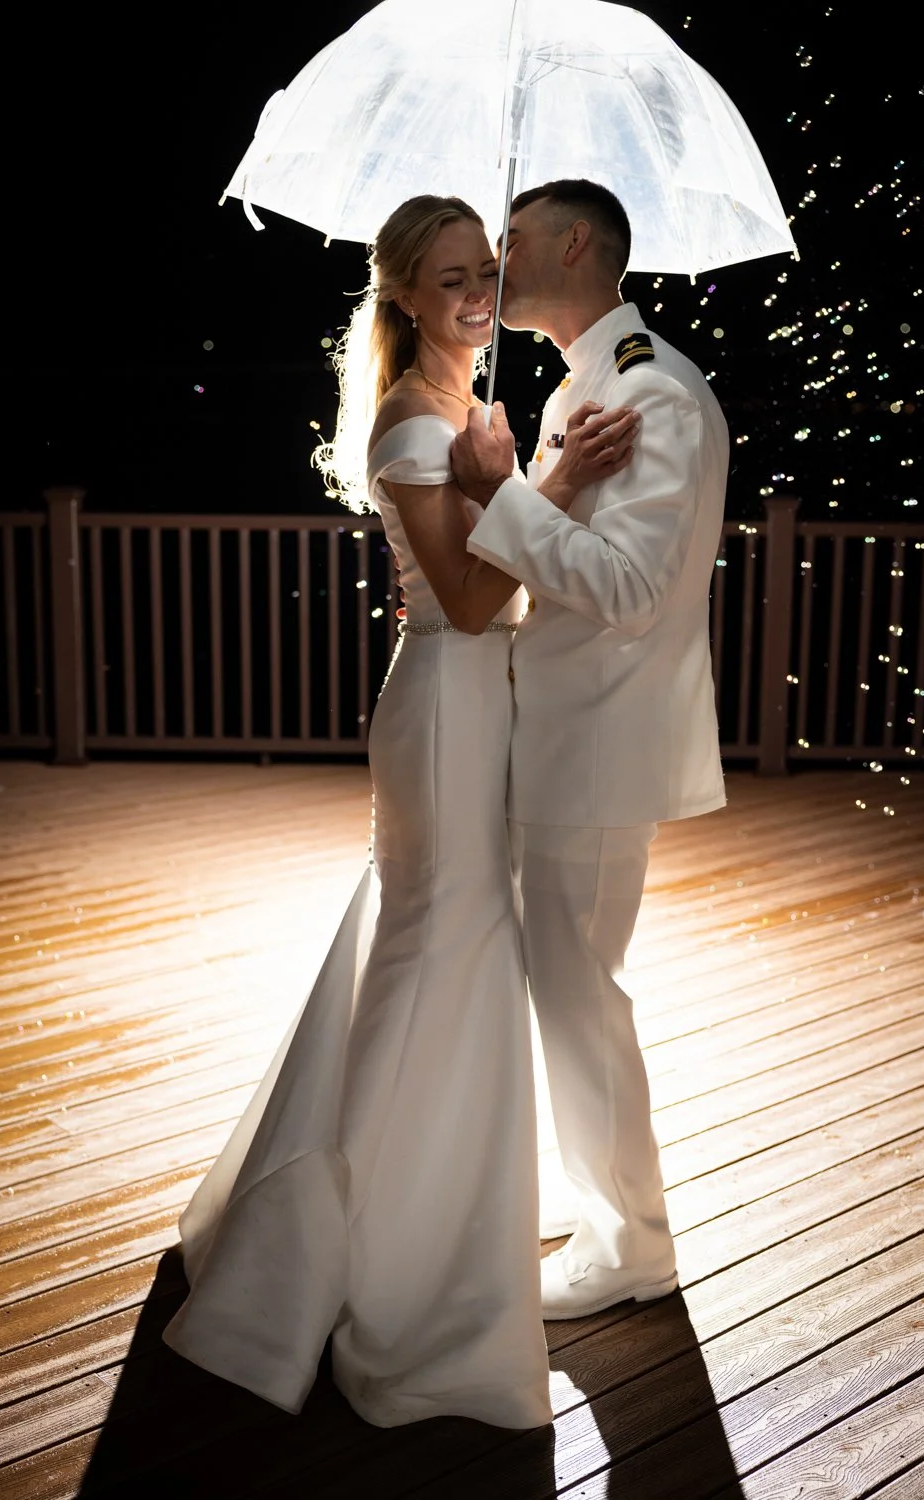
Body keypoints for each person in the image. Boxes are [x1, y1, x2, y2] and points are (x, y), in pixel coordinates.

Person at [161, 194, 635, 1427]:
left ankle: (428, 1200)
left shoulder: (473, 409)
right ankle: (377, 1240)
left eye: (488, 271)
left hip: (487, 707)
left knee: (437, 948)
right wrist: (528, 479)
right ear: (406, 297)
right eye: (451, 278)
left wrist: (525, 471)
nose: (479, 293)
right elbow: (473, 605)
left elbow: (499, 563)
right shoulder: (408, 423)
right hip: (446, 705)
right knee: (445, 945)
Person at [451, 179, 729, 1320]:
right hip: (559, 732)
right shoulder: (588, 385)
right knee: (563, 985)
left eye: (509, 243)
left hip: (600, 741)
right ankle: (600, 1207)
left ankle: (630, 1246)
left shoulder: (654, 396)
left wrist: (502, 495)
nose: (495, 263)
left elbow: (626, 589)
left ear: (575, 244)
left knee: (579, 993)